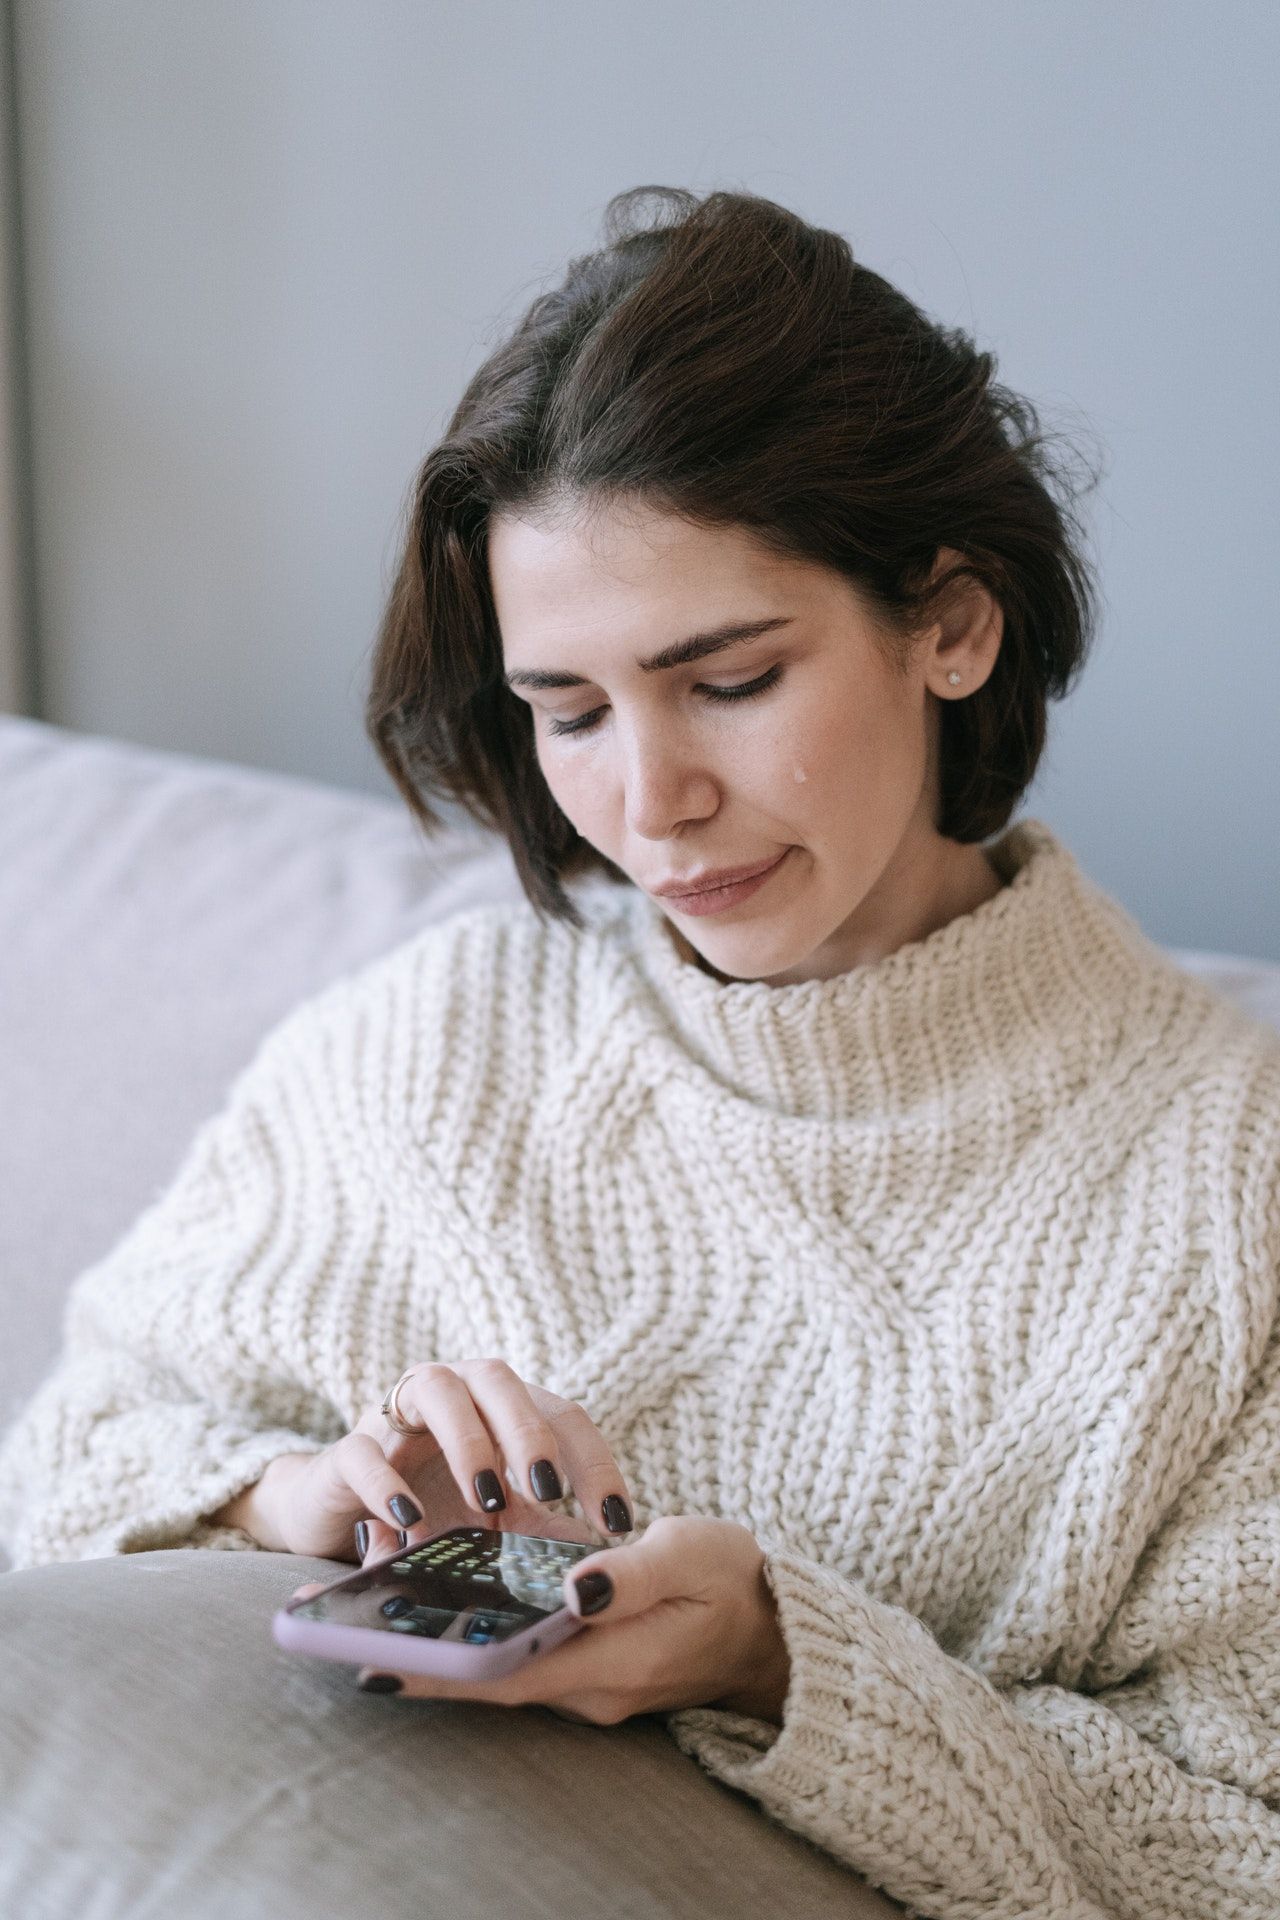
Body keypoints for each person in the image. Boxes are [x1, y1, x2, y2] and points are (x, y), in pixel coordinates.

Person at [2, 185, 1279, 1919]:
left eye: (732, 680)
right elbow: (59, 1461)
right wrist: (290, 1498)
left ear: (954, 624)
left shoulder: (1233, 1184)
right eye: (572, 713)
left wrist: (772, 1661)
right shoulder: (434, 1038)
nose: (649, 804)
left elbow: (1235, 1848)